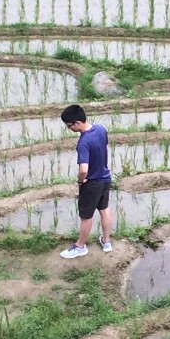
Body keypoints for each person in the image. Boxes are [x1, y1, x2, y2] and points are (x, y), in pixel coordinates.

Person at [59, 103, 113, 258]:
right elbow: (103, 146)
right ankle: (106, 242)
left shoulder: (83, 142)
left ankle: (80, 246)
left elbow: (83, 169)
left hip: (92, 183)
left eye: (69, 126)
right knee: (104, 210)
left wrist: (80, 180)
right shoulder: (101, 129)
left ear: (77, 122)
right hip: (105, 178)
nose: (69, 129)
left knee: (86, 216)